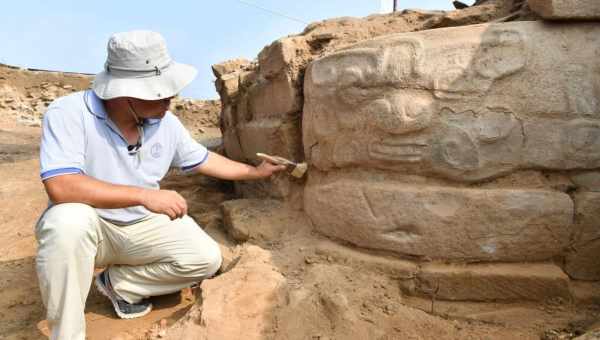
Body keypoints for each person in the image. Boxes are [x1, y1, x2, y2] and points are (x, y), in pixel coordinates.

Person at [35, 30, 285, 340]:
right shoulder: (69, 113)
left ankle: (120, 284)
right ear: (124, 94)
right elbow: (61, 185)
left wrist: (256, 172)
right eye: (159, 93)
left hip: (141, 226)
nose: (170, 100)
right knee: (65, 222)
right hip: (93, 227)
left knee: (205, 258)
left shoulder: (165, 123)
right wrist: (142, 196)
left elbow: (204, 159)